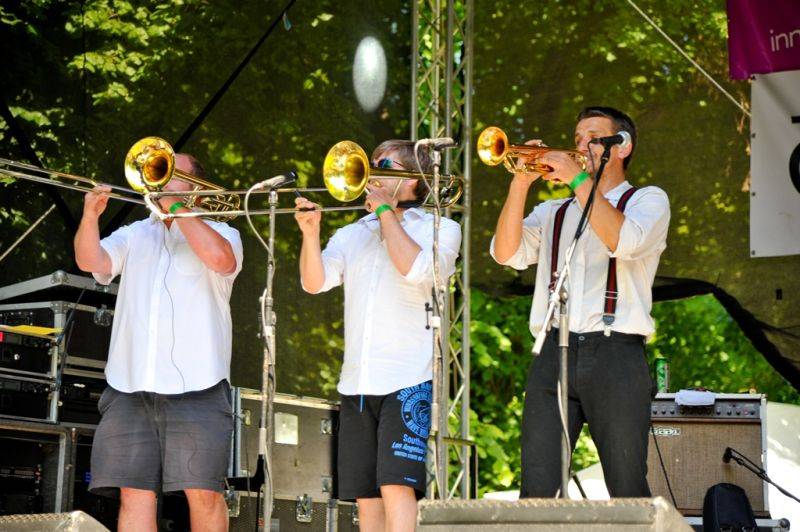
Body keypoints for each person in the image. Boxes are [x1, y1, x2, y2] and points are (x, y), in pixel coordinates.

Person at [491, 106, 670, 497]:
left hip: (616, 354)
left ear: (621, 147)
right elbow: (505, 253)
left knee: (626, 487)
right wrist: (520, 184)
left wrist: (577, 179)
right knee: (537, 491)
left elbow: (623, 241)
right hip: (553, 352)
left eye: (592, 136)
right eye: (576, 139)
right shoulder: (554, 211)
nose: (580, 145)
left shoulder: (647, 200)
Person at [294, 140, 461, 531]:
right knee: (366, 495)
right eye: (371, 163)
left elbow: (414, 268)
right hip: (357, 382)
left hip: (407, 379)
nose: (372, 170)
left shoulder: (440, 228)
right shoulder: (354, 233)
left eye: (383, 164)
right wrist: (310, 234)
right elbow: (314, 283)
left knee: (396, 487)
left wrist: (385, 211)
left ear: (412, 179)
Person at [74, 153, 243, 531]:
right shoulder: (135, 234)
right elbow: (90, 261)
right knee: (133, 492)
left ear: (196, 188)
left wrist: (179, 211)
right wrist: (90, 216)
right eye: (159, 173)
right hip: (129, 386)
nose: (161, 181)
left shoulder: (224, 232)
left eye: (173, 173)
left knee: (203, 493)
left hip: (197, 387)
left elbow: (219, 258)